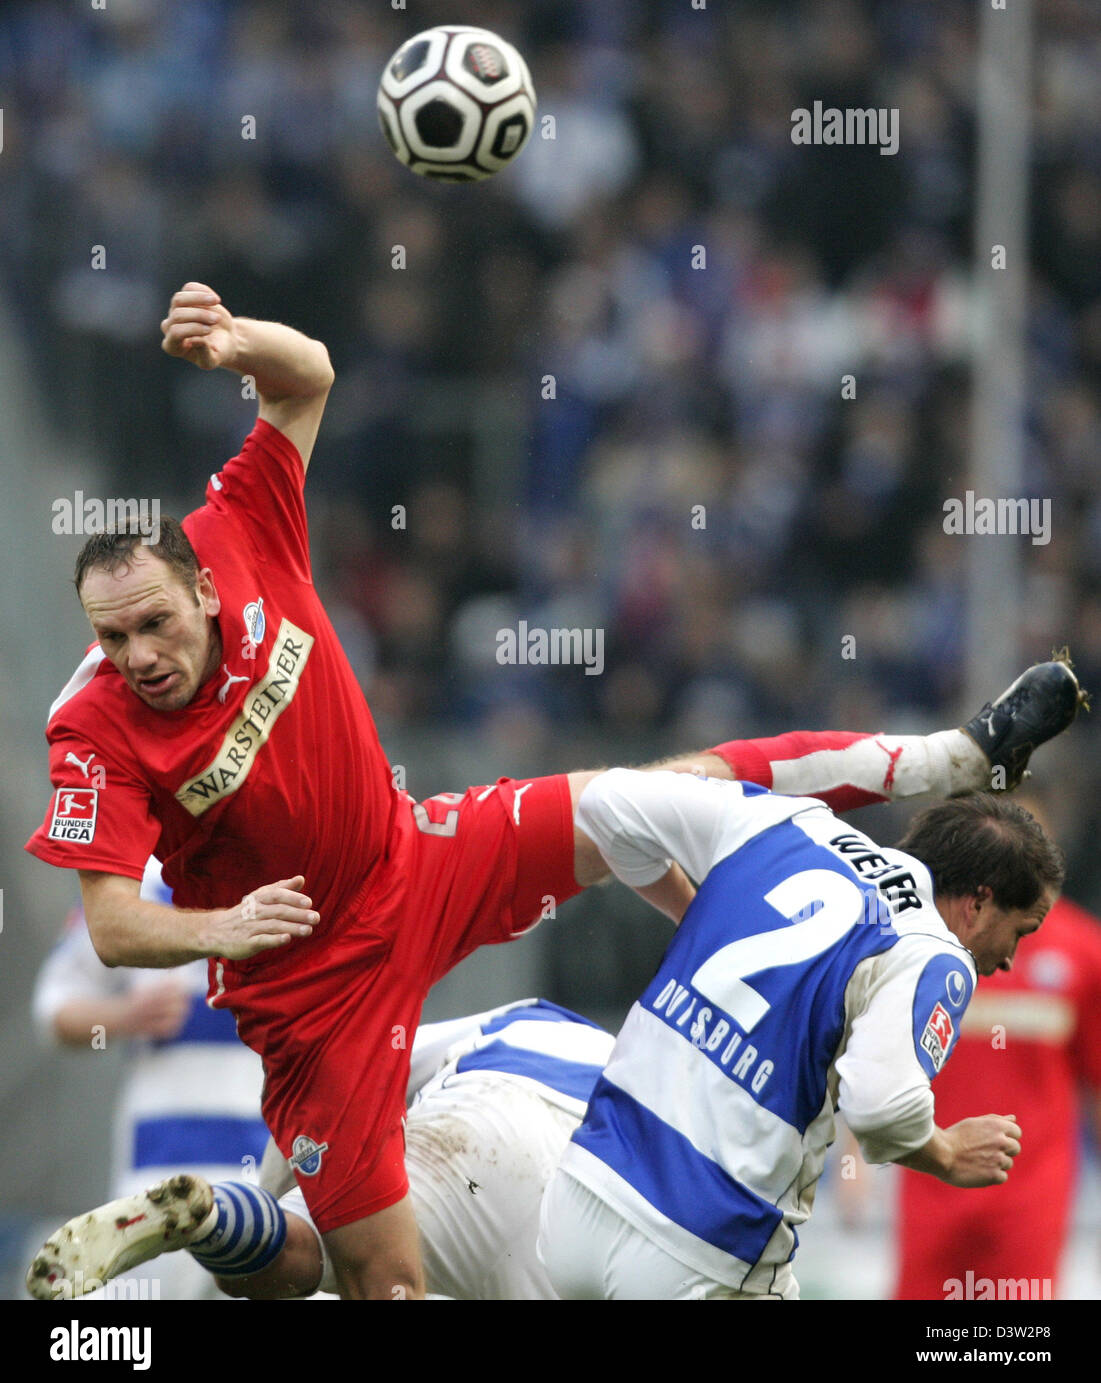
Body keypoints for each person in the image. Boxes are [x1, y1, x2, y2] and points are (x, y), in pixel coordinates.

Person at [24, 281, 1084, 1299]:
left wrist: (235, 340)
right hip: (312, 988)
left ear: (204, 586)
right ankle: (218, 1223)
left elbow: (309, 376)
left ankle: (954, 751)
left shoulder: (239, 526)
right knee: (378, 1284)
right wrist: (228, 924)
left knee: (669, 787)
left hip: (421, 854)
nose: (138, 654)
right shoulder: (93, 729)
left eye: (154, 623)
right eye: (111, 637)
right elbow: (114, 927)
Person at [537, 771, 1066, 1299]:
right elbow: (882, 1109)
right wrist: (947, 1152)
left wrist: (689, 910)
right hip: (703, 1244)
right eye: (1021, 931)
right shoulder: (936, 951)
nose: (1010, 959)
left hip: (580, 1198)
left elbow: (604, 804)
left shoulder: (784, 819)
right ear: (977, 904)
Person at [29, 999, 614, 1301]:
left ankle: (213, 1221)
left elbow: (355, 1078)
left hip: (479, 1115)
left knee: (309, 1255)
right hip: (601, 1202)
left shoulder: (535, 1021)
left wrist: (266, 1205)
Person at [893, 794, 1101, 1301]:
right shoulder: (922, 944)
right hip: (930, 1180)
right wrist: (854, 1153)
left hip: (1030, 1195)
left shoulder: (1084, 950)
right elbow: (876, 1053)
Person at [31, 859, 269, 1299]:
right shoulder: (137, 885)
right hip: (159, 1177)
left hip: (275, 1177)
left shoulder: (289, 867)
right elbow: (54, 1009)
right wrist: (124, 1016)